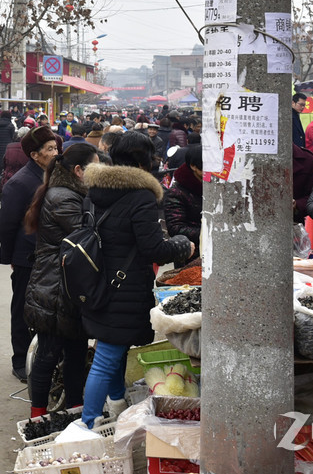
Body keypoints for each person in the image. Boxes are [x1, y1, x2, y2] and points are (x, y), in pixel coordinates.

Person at [80, 132, 194, 428]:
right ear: (144, 161)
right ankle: (88, 424)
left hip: (98, 282)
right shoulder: (140, 196)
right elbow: (152, 248)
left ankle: (117, 403)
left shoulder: (95, 189)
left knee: (112, 349)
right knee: (106, 357)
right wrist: (183, 245)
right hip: (124, 287)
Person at [23, 142, 100, 416]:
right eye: (95, 168)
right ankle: (37, 416)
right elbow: (86, 236)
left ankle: (74, 410)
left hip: (67, 285)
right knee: (49, 354)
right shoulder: (63, 198)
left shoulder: (70, 193)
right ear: (79, 171)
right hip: (55, 287)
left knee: (76, 353)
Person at [0, 125, 58, 382]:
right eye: (50, 149)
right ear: (35, 154)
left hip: (49, 255)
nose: (55, 153)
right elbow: (6, 226)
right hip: (27, 256)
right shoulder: (20, 183)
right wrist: (11, 257)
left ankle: (43, 356)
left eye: (56, 147)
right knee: (23, 309)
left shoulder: (52, 175)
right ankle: (20, 360)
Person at [162, 145, 203, 253]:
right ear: (193, 166)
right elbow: (175, 228)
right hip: (192, 253)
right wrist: (208, 232)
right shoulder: (177, 193)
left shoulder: (214, 186)